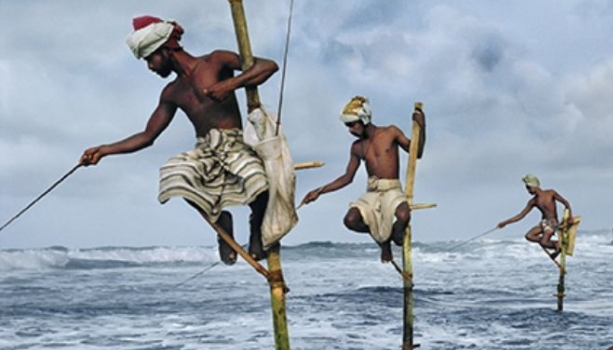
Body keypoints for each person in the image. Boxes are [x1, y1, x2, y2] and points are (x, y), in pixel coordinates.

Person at [80, 16, 279, 264]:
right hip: (205, 150)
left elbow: (268, 66)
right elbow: (147, 136)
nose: (150, 67)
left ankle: (256, 228)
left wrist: (230, 85)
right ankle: (221, 222)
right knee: (174, 175)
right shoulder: (171, 92)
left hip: (236, 143)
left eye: (150, 58)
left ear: (166, 49)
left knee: (258, 181)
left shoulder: (215, 61)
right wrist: (104, 150)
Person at [301, 96, 426, 264]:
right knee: (350, 220)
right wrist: (319, 191)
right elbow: (347, 178)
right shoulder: (357, 147)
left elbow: (416, 153)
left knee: (403, 216)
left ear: (364, 119)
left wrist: (422, 126)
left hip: (392, 189)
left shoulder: (390, 132)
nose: (350, 130)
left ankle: (392, 237)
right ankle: (383, 242)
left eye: (352, 124)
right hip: (372, 191)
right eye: (347, 125)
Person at [496, 175, 573, 260]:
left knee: (544, 242)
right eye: (527, 188)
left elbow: (566, 203)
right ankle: (556, 245)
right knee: (529, 236)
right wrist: (505, 223)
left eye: (529, 188)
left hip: (553, 222)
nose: (528, 191)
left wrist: (570, 216)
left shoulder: (551, 193)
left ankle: (556, 245)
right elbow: (521, 215)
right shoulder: (533, 201)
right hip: (544, 223)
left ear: (534, 185)